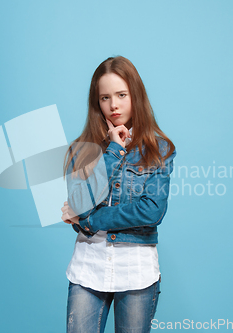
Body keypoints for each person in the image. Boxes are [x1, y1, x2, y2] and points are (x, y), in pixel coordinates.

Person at [61, 55, 176, 333]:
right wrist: (113, 150)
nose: (113, 105)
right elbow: (80, 202)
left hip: (136, 272)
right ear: (96, 103)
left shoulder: (160, 150)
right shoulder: (81, 149)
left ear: (135, 95)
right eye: (105, 98)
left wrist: (89, 220)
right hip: (88, 269)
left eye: (122, 95)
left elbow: (152, 211)